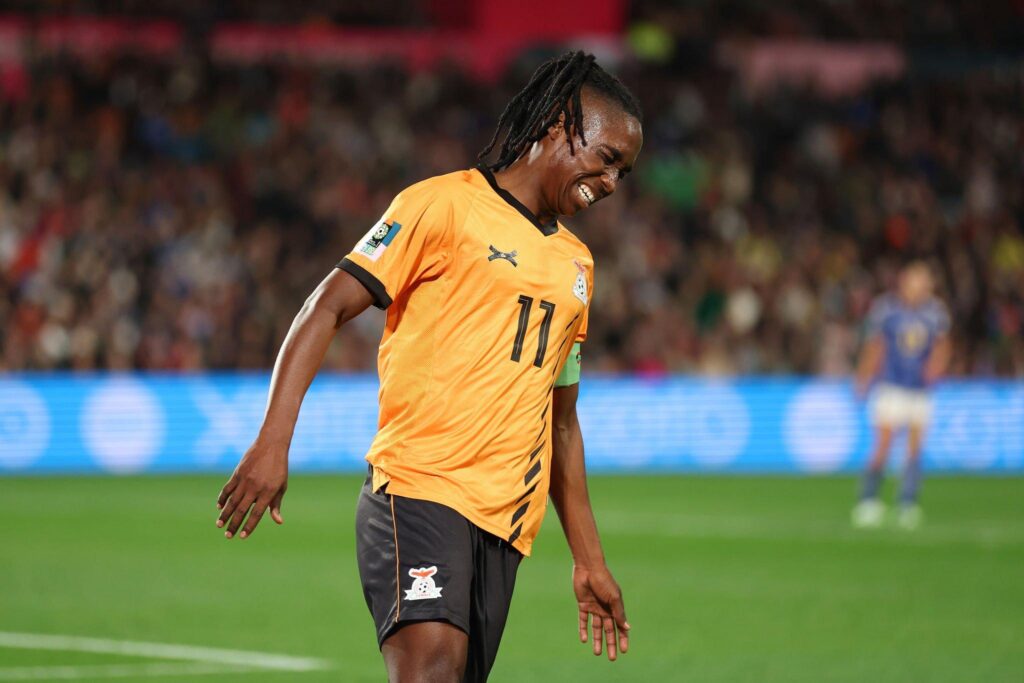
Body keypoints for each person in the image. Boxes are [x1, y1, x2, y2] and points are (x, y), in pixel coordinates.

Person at [214, 50, 643, 682]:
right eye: (608, 159)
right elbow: (326, 306)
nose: (611, 183)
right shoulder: (441, 206)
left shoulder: (578, 267)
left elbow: (562, 423)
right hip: (420, 491)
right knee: (432, 671)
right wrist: (273, 441)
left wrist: (589, 559)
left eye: (624, 174)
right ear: (560, 124)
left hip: (506, 528)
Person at [852, 261, 951, 530]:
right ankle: (868, 499)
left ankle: (907, 502)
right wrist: (864, 378)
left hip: (920, 390)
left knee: (914, 449)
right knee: (882, 445)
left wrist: (937, 367)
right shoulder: (886, 309)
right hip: (891, 387)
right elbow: (876, 347)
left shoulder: (935, 312)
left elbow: (943, 346)